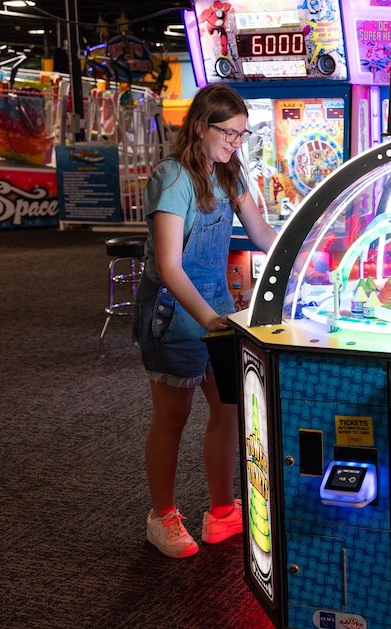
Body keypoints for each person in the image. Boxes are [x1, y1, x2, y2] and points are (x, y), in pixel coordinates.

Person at [133, 83, 278, 558]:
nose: (237, 143)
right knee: (172, 418)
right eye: (230, 133)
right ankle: (162, 516)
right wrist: (210, 318)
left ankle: (222, 510)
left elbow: (261, 233)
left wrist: (309, 252)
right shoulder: (172, 179)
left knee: (229, 408)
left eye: (242, 134)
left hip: (217, 306)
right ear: (200, 126)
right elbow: (171, 267)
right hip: (174, 311)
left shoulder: (229, 173)